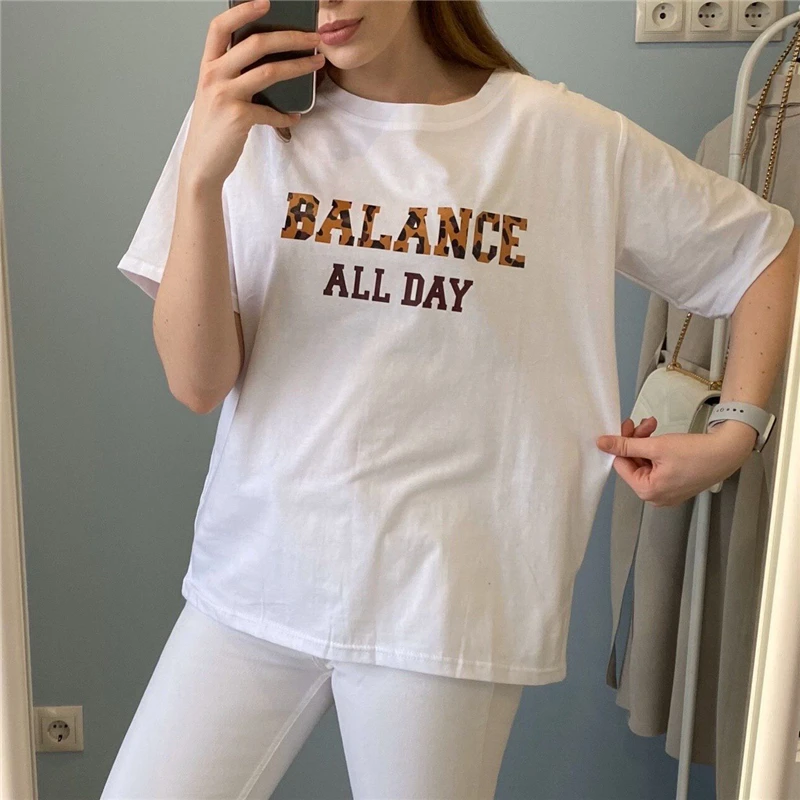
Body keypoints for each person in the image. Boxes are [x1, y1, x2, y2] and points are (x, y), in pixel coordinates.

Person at [101, 0, 800, 797]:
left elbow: (765, 251)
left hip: (447, 602)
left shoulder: (559, 137)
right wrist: (200, 178)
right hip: (256, 570)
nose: (330, 6)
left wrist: (735, 432)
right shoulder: (242, 125)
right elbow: (197, 383)